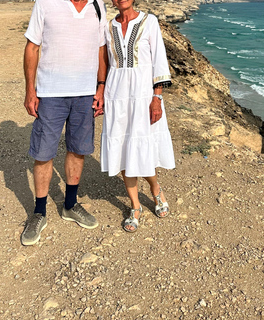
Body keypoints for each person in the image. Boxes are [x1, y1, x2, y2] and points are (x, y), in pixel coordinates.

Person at [21, 0, 108, 245]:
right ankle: (39, 212)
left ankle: (70, 205)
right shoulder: (45, 3)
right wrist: (30, 90)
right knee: (43, 153)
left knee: (78, 150)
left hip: (85, 93)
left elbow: (101, 49)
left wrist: (101, 87)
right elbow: (32, 47)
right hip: (50, 93)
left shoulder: (98, 5)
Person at [101, 0, 175, 232]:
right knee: (122, 148)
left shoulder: (149, 21)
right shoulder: (108, 26)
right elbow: (105, 61)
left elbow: (159, 60)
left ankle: (155, 190)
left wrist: (157, 97)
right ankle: (135, 205)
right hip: (116, 95)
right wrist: (100, 90)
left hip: (143, 96)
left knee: (142, 147)